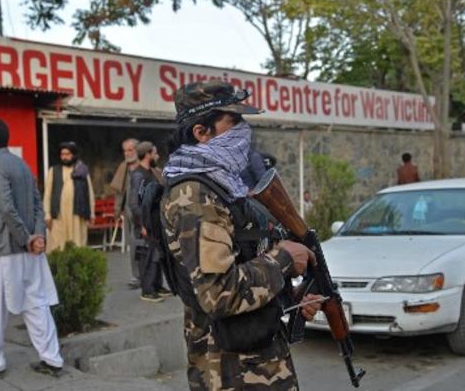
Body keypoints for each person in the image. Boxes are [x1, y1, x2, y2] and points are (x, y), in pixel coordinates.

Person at [161, 80, 321, 390]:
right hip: (232, 373)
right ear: (201, 132)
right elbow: (219, 293)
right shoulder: (194, 195)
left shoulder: (222, 183)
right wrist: (285, 258)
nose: (243, 129)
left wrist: (289, 296)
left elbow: (241, 263)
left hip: (253, 363)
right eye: (233, 121)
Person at [0, 118, 63, 379]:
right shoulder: (21, 164)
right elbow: (38, 204)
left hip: (0, 249)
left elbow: (6, 208)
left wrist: (26, 238)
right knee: (36, 305)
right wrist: (37, 235)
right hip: (27, 252)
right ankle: (52, 359)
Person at [128, 141, 170, 302]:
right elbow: (134, 202)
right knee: (147, 256)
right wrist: (142, 223)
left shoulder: (151, 172)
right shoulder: (138, 175)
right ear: (147, 155)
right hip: (146, 223)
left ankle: (157, 285)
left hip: (155, 221)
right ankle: (147, 289)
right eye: (154, 153)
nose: (157, 156)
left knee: (157, 255)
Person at [43, 141, 95, 252]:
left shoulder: (82, 171)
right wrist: (47, 214)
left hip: (77, 214)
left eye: (68, 154)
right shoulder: (54, 170)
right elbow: (47, 194)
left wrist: (92, 213)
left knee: (77, 243)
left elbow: (89, 193)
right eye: (63, 154)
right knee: (58, 245)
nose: (65, 157)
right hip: (59, 214)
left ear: (73, 155)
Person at [110, 138, 141, 288]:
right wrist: (117, 211)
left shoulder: (144, 166)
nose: (128, 153)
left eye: (131, 150)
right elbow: (119, 192)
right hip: (129, 212)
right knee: (133, 245)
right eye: (125, 150)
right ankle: (136, 276)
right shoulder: (124, 168)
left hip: (143, 212)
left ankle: (149, 276)